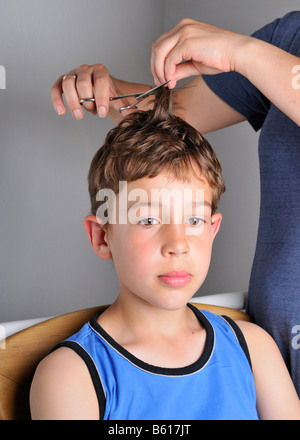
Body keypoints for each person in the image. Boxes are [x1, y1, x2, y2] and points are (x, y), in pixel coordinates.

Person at [50, 11, 300, 397]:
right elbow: (176, 116)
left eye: (194, 219)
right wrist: (107, 91)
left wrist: (245, 53)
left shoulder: (252, 350)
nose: (178, 242)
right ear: (101, 235)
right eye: (149, 219)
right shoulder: (75, 374)